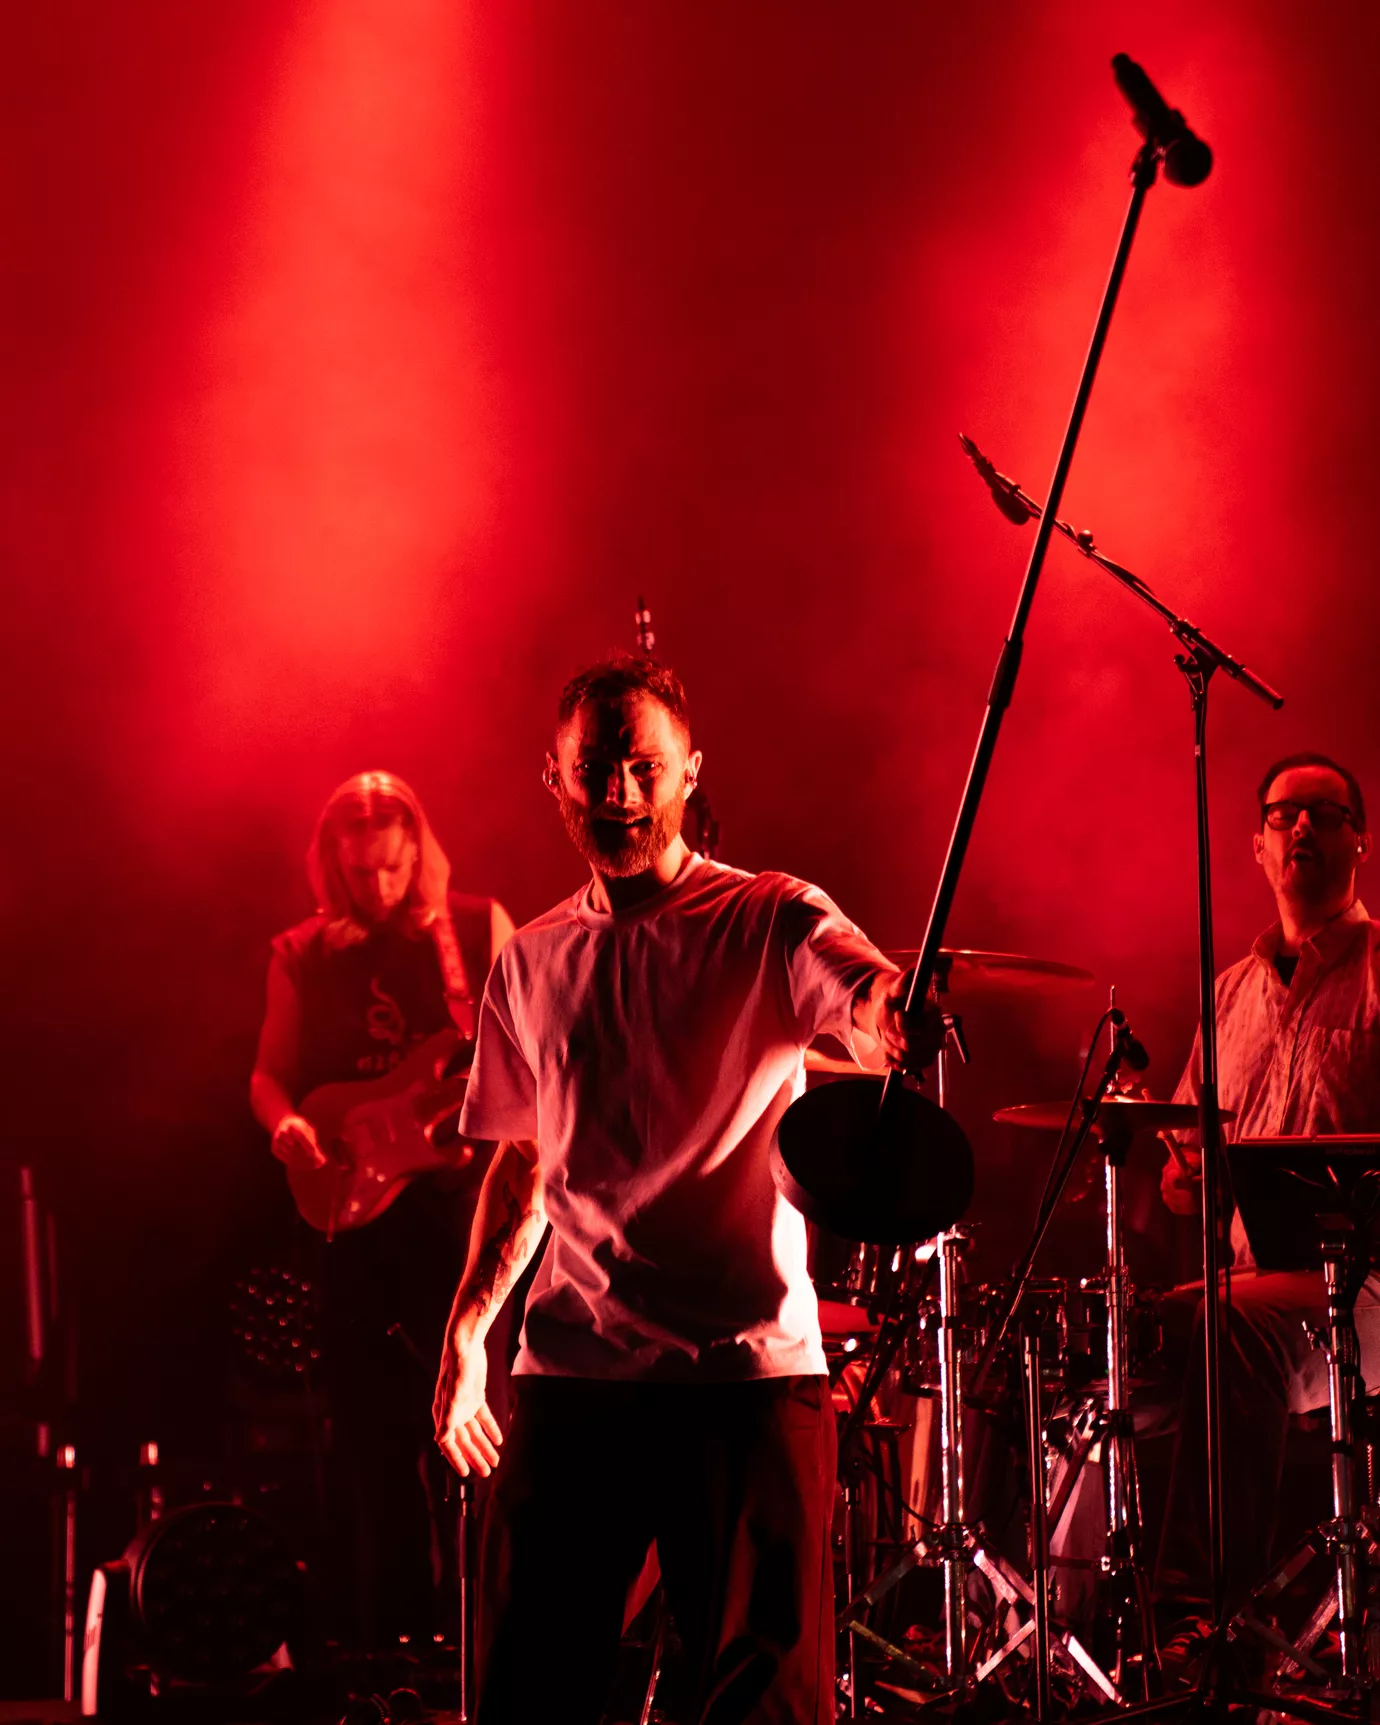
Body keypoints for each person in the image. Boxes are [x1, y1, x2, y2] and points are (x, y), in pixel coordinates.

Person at [432, 655, 940, 1725]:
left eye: (644, 767)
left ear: (689, 772)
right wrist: (467, 1338)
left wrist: (894, 1012)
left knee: (765, 1706)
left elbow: (862, 999)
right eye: (594, 769)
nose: (618, 792)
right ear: (554, 778)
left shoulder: (769, 917)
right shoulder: (529, 960)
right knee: (526, 1693)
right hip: (574, 1375)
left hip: (744, 1377)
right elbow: (524, 1162)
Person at [251, 771, 515, 1650]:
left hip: (458, 1222)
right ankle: (393, 1646)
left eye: (393, 868)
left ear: (419, 852)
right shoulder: (302, 950)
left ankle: (484, 1642)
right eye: (360, 872)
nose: (379, 885)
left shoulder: (475, 926)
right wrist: (287, 1123)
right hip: (353, 1219)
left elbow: (523, 1055)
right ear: (332, 865)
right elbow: (268, 1074)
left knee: (480, 1432)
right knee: (372, 1441)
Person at [1154, 751, 1380, 1613]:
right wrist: (1184, 1175)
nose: (1302, 826)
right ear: (1257, 846)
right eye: (1284, 814)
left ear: (1360, 840)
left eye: (1325, 811)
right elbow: (1186, 1176)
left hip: (1367, 1291)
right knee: (1103, 1333)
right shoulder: (1226, 997)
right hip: (1252, 1286)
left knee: (1229, 1323)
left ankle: (1203, 1618)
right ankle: (1064, 1612)